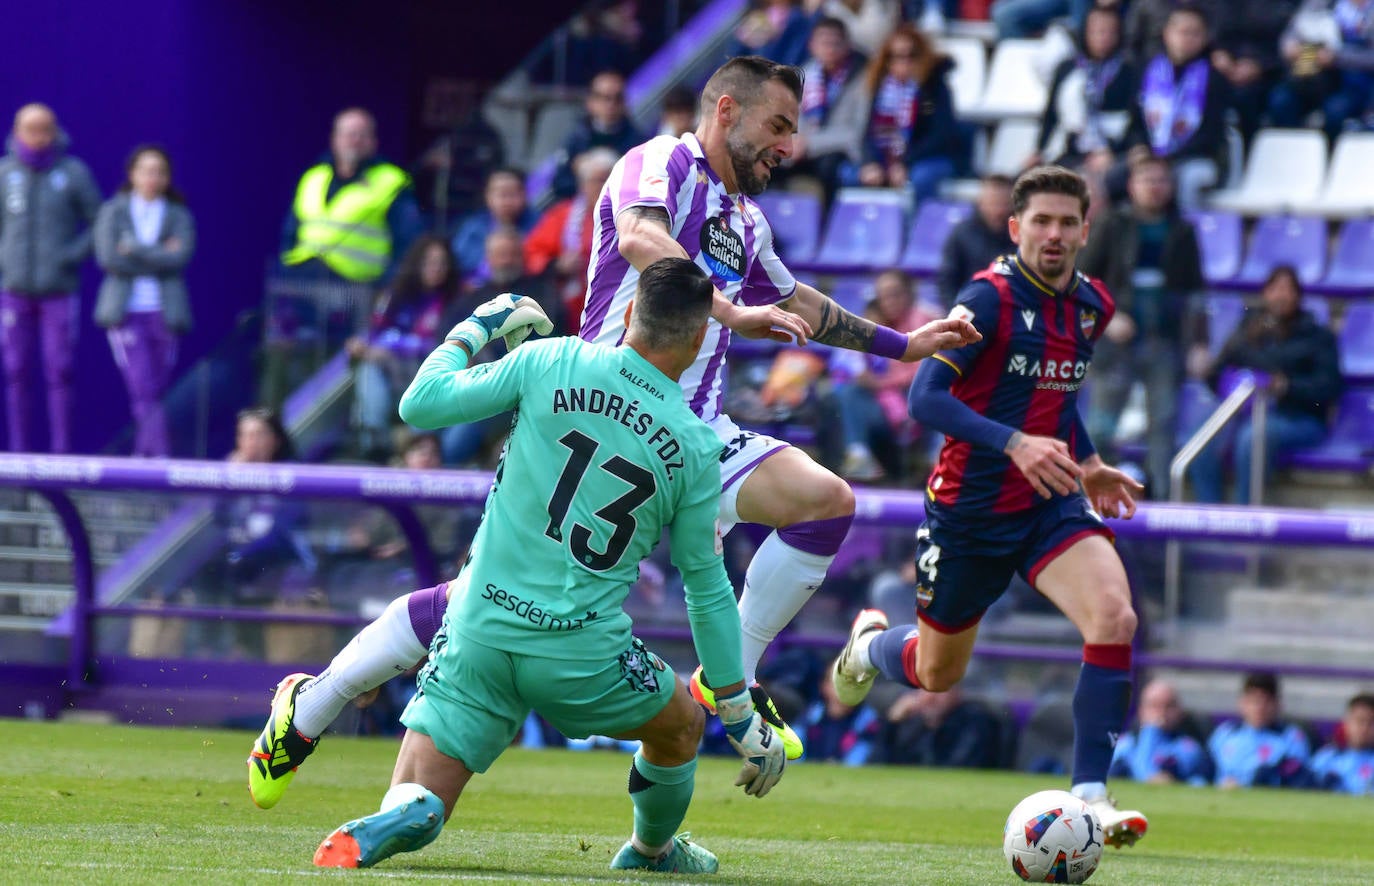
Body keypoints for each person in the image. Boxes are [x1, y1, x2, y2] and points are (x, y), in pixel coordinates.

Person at [244, 55, 978, 811]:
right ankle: (312, 707)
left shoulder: (745, 222)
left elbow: (801, 303)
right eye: (778, 126)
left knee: (825, 502)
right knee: (475, 604)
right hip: (596, 412)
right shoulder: (657, 161)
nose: (787, 146)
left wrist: (904, 344)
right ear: (726, 110)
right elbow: (636, 238)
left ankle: (734, 682)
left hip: (692, 435)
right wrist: (726, 312)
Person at [304, 259, 787, 874]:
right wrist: (738, 713)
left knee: (423, 790)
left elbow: (419, 406)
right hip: (581, 653)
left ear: (631, 313)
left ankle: (410, 809)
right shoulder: (695, 446)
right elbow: (706, 588)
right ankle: (651, 852)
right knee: (680, 726)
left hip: (478, 627)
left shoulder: (550, 360)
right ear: (698, 340)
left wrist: (476, 328)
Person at [829, 165, 1150, 847]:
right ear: (1016, 227)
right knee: (937, 673)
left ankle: (1090, 796)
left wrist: (1086, 463)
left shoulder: (1094, 306)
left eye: (1067, 222)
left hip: (1049, 502)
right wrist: (1014, 445)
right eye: (1041, 221)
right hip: (968, 511)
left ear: (1086, 230)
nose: (1054, 234)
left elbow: (1057, 400)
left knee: (1114, 616)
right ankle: (868, 646)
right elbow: (925, 400)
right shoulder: (989, 299)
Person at [1078, 154, 1204, 498]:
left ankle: (1161, 504)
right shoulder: (1111, 223)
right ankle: (1094, 500)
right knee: (1101, 428)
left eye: (1161, 179)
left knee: (1162, 427)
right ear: (1132, 185)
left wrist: (1199, 344)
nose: (1154, 187)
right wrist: (1108, 317)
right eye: (1147, 179)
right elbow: (1082, 282)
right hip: (1115, 343)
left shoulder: (1183, 230)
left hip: (1164, 341)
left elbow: (1195, 293)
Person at [1189, 265, 1342, 504]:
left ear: (1298, 296)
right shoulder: (1247, 331)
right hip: (1242, 414)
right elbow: (1216, 374)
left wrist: (1286, 387)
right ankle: (1209, 515)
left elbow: (1328, 388)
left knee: (1253, 436)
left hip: (1298, 418)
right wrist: (1217, 377)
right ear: (1265, 293)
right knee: (1201, 434)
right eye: (1275, 288)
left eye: (1288, 289)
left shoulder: (1317, 336)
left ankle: (1246, 520)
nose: (1281, 295)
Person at [0, 103, 102, 453]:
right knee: (14, 371)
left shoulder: (72, 173)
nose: (38, 137)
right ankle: (17, 457)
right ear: (16, 131)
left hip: (58, 291)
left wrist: (70, 257)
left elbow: (98, 222)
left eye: (45, 129)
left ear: (55, 131)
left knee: (59, 370)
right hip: (13, 291)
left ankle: (61, 457)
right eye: (31, 129)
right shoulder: (4, 173)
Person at [93, 145, 196, 459]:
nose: (153, 178)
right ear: (132, 175)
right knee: (141, 385)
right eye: (146, 171)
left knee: (158, 387)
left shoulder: (178, 214)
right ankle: (160, 457)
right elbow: (108, 257)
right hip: (127, 312)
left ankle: (143, 456)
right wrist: (158, 254)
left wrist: (134, 249)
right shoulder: (114, 211)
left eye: (160, 172)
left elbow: (180, 257)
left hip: (164, 311)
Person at [346, 235, 461, 461]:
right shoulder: (395, 294)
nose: (436, 269)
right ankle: (374, 440)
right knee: (368, 367)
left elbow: (443, 344)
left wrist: (393, 346)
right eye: (429, 262)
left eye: (442, 263)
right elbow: (374, 334)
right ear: (417, 263)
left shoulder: (456, 299)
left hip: (429, 374)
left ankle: (422, 445)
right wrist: (361, 345)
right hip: (393, 374)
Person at [280, 108, 421, 284]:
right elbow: (290, 233)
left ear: (374, 142)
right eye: (349, 134)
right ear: (335, 139)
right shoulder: (314, 177)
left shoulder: (391, 181)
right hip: (302, 282)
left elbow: (409, 244)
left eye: (362, 135)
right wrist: (284, 273)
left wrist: (386, 289)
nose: (355, 141)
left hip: (358, 290)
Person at [827, 270, 937, 482]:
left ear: (909, 294)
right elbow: (846, 363)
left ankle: (861, 456)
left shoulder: (923, 319)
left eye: (895, 294)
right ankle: (858, 458)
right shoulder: (880, 323)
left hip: (913, 407)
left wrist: (876, 383)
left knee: (849, 395)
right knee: (841, 396)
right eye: (883, 296)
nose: (889, 301)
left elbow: (921, 374)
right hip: (887, 405)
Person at [1123, 5, 1230, 211]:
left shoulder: (1214, 78)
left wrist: (1168, 158)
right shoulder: (1147, 70)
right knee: (1114, 176)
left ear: (1205, 38)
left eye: (1195, 33)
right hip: (1150, 156)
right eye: (1182, 32)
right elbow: (1135, 121)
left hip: (1192, 157)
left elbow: (1211, 134)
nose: (1187, 38)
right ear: (1167, 33)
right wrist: (1139, 148)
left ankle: (1184, 238)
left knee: (1191, 179)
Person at [842, 24, 964, 201]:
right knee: (846, 173)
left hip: (927, 158)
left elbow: (940, 136)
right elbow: (866, 133)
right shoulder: (878, 89)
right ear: (887, 60)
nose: (904, 62)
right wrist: (871, 163)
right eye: (897, 56)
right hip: (885, 159)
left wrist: (904, 163)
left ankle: (917, 227)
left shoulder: (935, 88)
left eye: (911, 55)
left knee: (920, 179)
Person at [1031, 4, 1140, 173]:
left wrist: (1111, 152)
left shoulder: (1130, 71)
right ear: (1085, 32)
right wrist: (1038, 150)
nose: (1104, 37)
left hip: (1115, 152)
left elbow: (1135, 120)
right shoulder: (1067, 68)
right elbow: (1051, 115)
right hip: (1071, 150)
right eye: (1098, 31)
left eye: (1111, 31)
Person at [523, 148, 617, 332]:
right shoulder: (561, 216)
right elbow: (531, 255)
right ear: (583, 185)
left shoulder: (629, 216)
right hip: (568, 312)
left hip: (615, 306)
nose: (604, 186)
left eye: (609, 180)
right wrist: (557, 265)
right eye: (597, 181)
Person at [779, 16, 871, 200]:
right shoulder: (804, 75)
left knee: (829, 167)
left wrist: (810, 144)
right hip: (803, 148)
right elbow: (790, 118)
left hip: (842, 151)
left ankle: (829, 225)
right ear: (812, 45)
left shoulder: (863, 78)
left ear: (847, 45)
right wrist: (794, 142)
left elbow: (857, 132)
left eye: (835, 43)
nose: (829, 49)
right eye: (824, 42)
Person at [1268, 0, 1374, 144]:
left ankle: (1330, 159)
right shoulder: (1321, 3)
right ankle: (1293, 156)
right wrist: (1291, 47)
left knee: (1335, 111)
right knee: (1281, 101)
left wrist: (1337, 57)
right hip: (1315, 78)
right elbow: (1290, 36)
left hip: (1356, 84)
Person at [1207, 672, 1312, 789]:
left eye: (1266, 702)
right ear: (1242, 703)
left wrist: (1248, 784)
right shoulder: (1225, 733)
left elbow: (1297, 779)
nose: (1260, 708)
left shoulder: (1291, 737)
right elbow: (1204, 773)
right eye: (1254, 701)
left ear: (1277, 704)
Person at [550, 70, 644, 198]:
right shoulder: (575, 140)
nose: (611, 104)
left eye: (618, 98)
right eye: (605, 98)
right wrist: (583, 178)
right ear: (590, 102)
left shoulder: (639, 143)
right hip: (582, 209)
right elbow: (559, 184)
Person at [1108, 677, 1213, 785]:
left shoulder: (1187, 747)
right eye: (1154, 706)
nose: (1161, 712)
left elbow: (1149, 775)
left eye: (1169, 706)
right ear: (1141, 710)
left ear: (1180, 711)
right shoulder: (1123, 745)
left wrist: (1151, 731)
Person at [936, 174, 1016, 309]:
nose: (998, 211)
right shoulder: (962, 233)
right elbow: (947, 281)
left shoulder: (1021, 236)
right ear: (981, 203)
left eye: (1004, 204)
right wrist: (957, 313)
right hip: (968, 310)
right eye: (993, 203)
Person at [449, 168, 535, 286]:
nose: (507, 201)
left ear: (525, 195)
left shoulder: (539, 225)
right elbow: (456, 265)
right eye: (501, 194)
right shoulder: (473, 228)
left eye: (512, 194)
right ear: (488, 197)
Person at [1308, 693, 1374, 795]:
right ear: (1347, 722)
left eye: (1371, 723)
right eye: (1360, 721)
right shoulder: (1327, 757)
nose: (1364, 729)